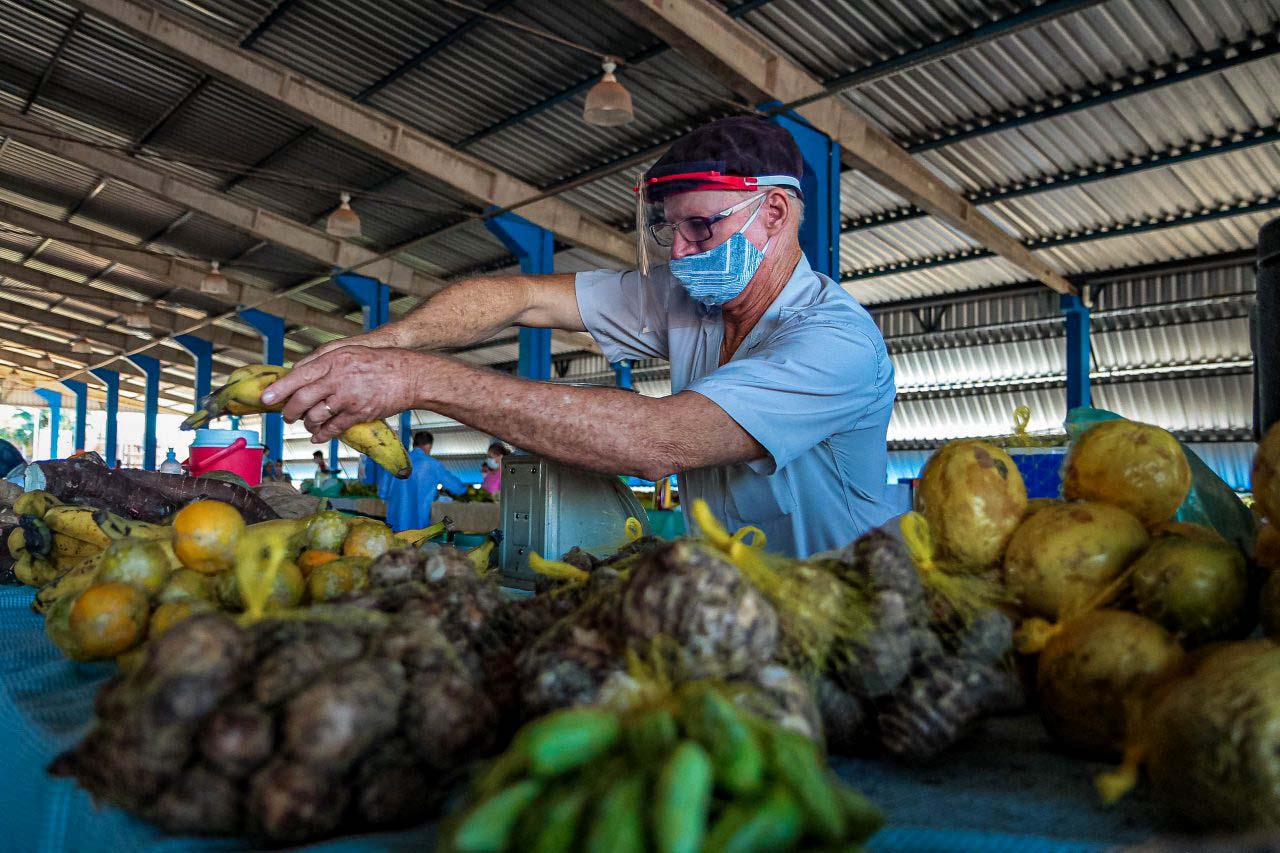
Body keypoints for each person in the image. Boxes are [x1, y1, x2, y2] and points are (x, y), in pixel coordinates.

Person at [262, 117, 896, 557]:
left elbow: (660, 441)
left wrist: (418, 380)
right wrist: (391, 344)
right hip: (732, 610)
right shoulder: (693, 305)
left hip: (840, 611)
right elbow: (523, 297)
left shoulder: (834, 342)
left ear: (775, 213)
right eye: (669, 230)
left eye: (700, 227)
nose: (680, 252)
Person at [379, 430, 467, 532]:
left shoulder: (396, 461)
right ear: (429, 446)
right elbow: (456, 487)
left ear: (414, 444)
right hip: (418, 525)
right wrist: (465, 489)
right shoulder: (433, 465)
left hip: (394, 522)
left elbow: (383, 492)